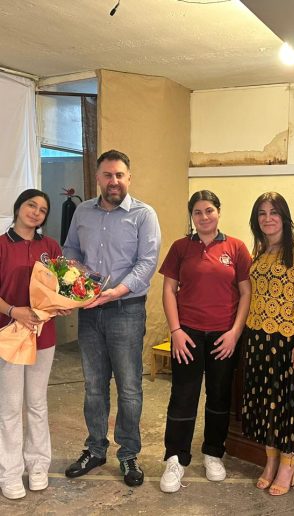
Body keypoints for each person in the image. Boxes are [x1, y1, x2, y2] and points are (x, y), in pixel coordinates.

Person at [63, 149, 161, 487]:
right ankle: (95, 449)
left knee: (129, 387)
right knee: (94, 386)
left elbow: (147, 262)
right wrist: (78, 285)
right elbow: (70, 250)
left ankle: (129, 454)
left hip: (126, 310)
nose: (113, 181)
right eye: (107, 175)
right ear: (98, 178)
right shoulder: (82, 212)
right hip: (90, 312)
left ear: (128, 177)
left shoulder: (144, 215)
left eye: (119, 174)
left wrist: (115, 292)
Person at [159, 190, 251, 493]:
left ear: (218, 212)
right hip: (188, 335)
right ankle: (176, 458)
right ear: (192, 216)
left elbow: (246, 292)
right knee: (183, 396)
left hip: (224, 336)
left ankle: (213, 452)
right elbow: (169, 290)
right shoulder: (180, 247)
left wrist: (235, 333)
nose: (204, 217)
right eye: (197, 212)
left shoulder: (236, 247)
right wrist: (176, 331)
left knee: (219, 397)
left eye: (209, 210)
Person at [242, 192, 294, 496]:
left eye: (274, 212)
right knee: (266, 404)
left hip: (289, 340)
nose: (268, 218)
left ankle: (288, 465)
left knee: (288, 405)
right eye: (261, 213)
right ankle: (271, 460)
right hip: (259, 338)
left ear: (284, 217)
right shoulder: (260, 250)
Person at [0, 189, 67, 500]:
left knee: (37, 404)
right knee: (10, 407)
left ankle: (38, 466)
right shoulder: (1, 245)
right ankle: (10, 472)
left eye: (42, 209)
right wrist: (14, 311)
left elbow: (61, 287)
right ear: (18, 207)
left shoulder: (50, 247)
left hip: (43, 336)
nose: (36, 212)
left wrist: (62, 304)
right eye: (31, 205)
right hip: (9, 335)